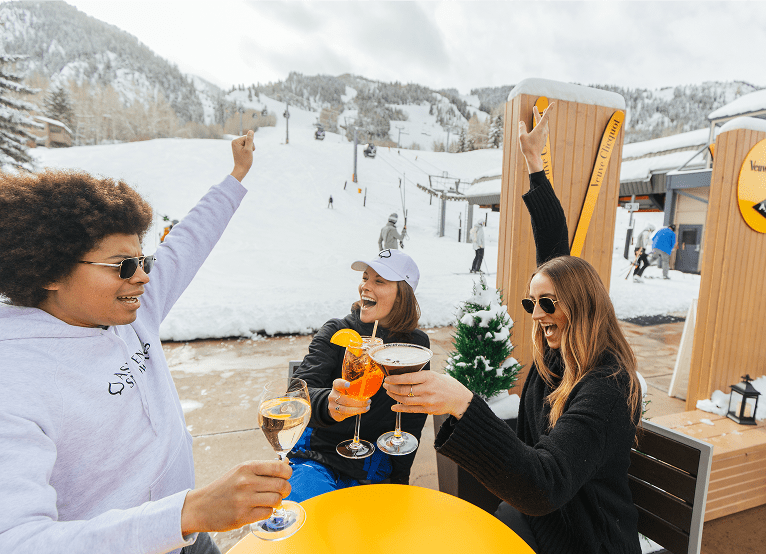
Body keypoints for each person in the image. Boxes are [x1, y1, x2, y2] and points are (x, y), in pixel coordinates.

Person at [0, 131, 291, 554]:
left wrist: (236, 176)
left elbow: (189, 242)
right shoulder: (14, 381)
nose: (142, 277)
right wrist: (187, 513)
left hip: (189, 534)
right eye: (122, 265)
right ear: (49, 273)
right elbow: (19, 541)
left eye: (142, 260)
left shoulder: (131, 311)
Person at [383, 103, 643, 554]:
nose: (536, 313)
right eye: (530, 302)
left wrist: (462, 400)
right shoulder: (562, 362)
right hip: (539, 525)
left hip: (582, 541)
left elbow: (542, 485)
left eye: (547, 303)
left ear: (581, 306)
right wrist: (534, 166)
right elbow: (554, 254)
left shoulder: (605, 390)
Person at [286, 249, 429, 502]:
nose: (365, 286)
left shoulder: (414, 346)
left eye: (379, 281)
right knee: (308, 521)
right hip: (318, 458)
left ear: (402, 295)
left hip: (372, 468)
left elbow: (409, 425)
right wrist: (328, 404)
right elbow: (296, 394)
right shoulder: (339, 331)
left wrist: (400, 486)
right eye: (365, 278)